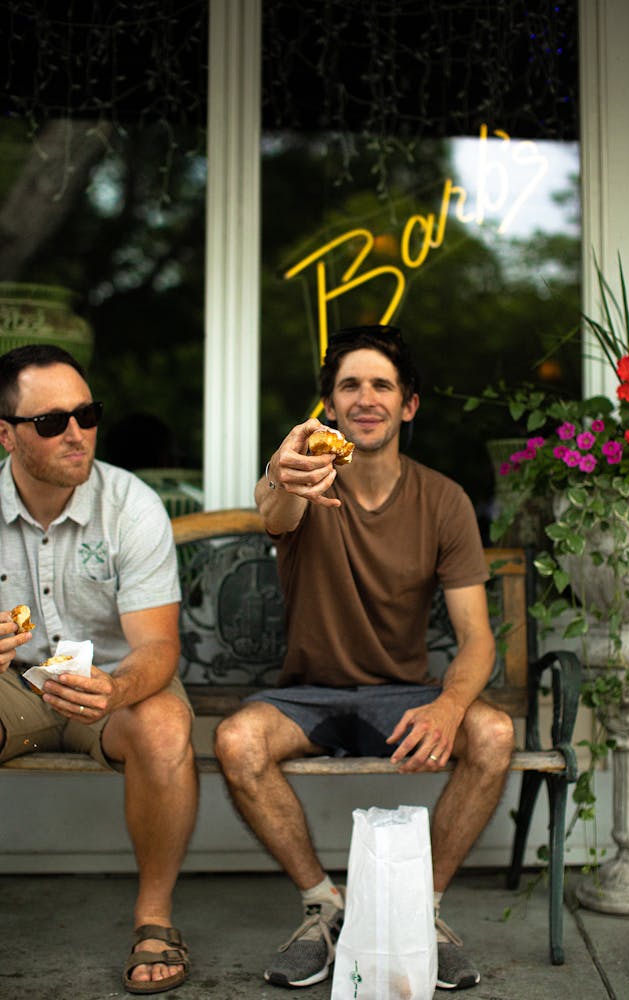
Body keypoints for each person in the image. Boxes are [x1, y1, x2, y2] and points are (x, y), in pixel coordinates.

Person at [215, 325, 515, 991]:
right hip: (308, 697)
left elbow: (477, 637)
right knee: (237, 741)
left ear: (408, 405)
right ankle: (325, 907)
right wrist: (280, 470)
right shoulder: (306, 481)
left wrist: (448, 704)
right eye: (349, 384)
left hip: (400, 693)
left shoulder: (444, 500)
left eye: (382, 384)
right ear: (329, 406)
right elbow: (276, 507)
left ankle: (418, 912)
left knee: (492, 733)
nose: (366, 397)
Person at [0, 344, 198, 996]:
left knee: (165, 726)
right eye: (52, 422)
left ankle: (154, 921)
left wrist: (115, 688)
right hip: (12, 684)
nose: (77, 433)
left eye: (87, 414)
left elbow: (158, 646)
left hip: (110, 680)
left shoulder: (130, 504)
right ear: (7, 434)